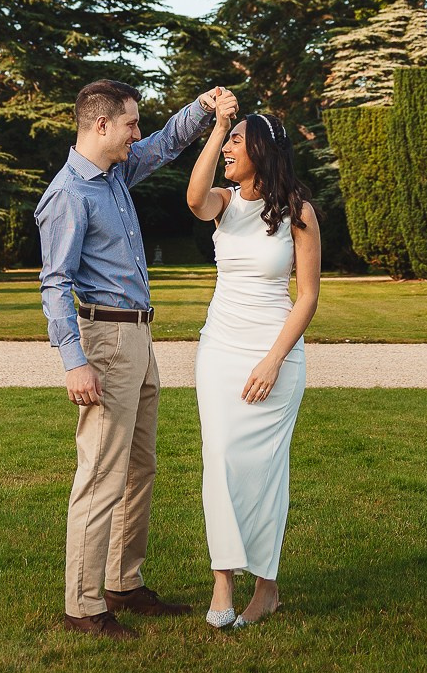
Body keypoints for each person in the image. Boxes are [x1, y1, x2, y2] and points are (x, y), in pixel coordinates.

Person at [37, 77, 230, 638]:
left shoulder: (116, 172)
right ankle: (83, 605)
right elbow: (54, 284)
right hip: (104, 344)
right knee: (100, 474)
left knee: (139, 466)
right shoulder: (69, 194)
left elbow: (169, 142)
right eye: (129, 124)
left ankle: (123, 581)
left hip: (139, 341)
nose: (136, 133)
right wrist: (75, 360)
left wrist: (203, 108)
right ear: (101, 125)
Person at [185, 98, 320, 630]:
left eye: (237, 141)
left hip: (275, 351)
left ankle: (267, 588)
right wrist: (218, 127)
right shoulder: (223, 201)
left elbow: (307, 296)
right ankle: (224, 577)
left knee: (264, 470)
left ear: (260, 149)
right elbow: (193, 198)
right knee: (218, 457)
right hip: (219, 346)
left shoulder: (298, 212)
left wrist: (273, 360)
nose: (227, 153)